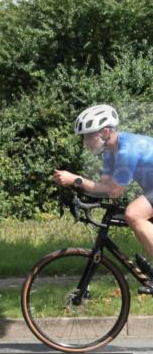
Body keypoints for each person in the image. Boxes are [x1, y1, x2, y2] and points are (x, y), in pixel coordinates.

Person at [53, 104, 153, 291]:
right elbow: (104, 189)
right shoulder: (110, 153)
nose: (85, 142)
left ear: (106, 132)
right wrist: (77, 191)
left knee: (133, 214)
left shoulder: (126, 150)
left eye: (89, 136)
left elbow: (115, 192)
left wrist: (75, 179)